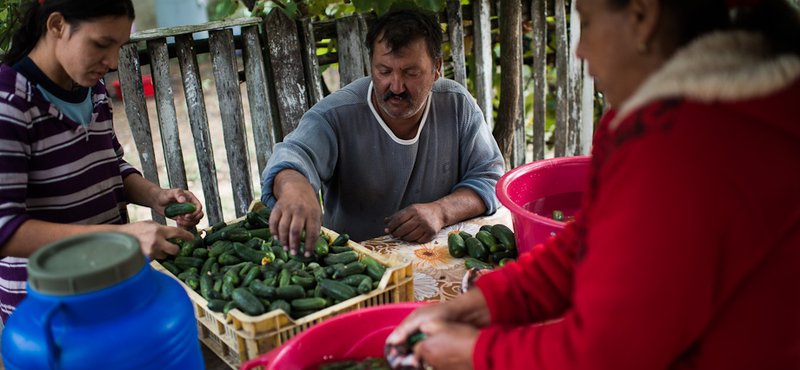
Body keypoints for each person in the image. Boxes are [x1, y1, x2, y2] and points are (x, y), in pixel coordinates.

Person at [387, 0, 800, 369]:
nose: (580, 50)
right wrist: (488, 302)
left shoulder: (686, 145)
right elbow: (589, 240)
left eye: (586, 20)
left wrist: (477, 353)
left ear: (642, 16)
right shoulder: (683, 116)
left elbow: (606, 352)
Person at [0, 0, 205, 322]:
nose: (111, 62)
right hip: (51, 310)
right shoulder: (9, 103)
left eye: (119, 46)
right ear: (57, 26)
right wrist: (121, 238)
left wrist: (155, 196)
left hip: (112, 286)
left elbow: (110, 166)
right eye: (101, 44)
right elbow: (5, 231)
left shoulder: (93, 91)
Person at [260, 9, 504, 256]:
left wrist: (441, 211)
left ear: (436, 68)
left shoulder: (457, 105)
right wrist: (295, 189)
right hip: (355, 267)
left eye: (411, 73)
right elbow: (292, 157)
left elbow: (490, 178)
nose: (396, 86)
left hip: (439, 258)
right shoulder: (335, 114)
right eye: (384, 71)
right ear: (371, 65)